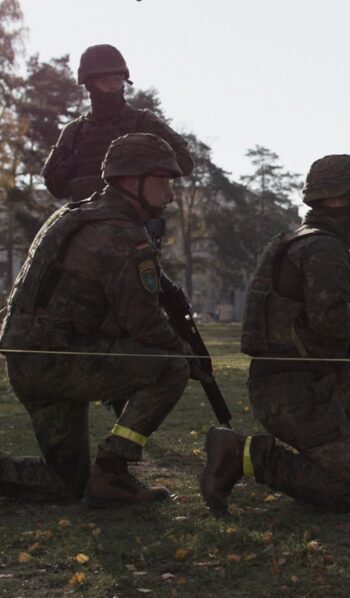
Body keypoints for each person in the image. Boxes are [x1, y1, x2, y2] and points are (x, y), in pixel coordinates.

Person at [200, 154, 350, 516]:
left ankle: (330, 457)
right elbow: (330, 319)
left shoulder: (304, 239)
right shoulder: (322, 247)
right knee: (348, 492)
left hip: (302, 380)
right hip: (295, 389)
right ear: (335, 200)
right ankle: (242, 454)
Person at [0, 133, 200, 505]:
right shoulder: (121, 233)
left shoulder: (75, 213)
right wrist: (186, 350)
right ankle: (112, 471)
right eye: (162, 181)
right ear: (131, 179)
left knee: (66, 484)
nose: (170, 194)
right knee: (171, 367)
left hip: (31, 359)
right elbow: (144, 325)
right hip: (58, 361)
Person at [41, 44, 193, 202]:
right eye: (105, 81)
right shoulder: (75, 131)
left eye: (117, 80)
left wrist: (142, 164)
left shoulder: (143, 122)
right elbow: (55, 186)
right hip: (87, 218)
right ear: (90, 85)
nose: (113, 86)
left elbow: (185, 162)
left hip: (136, 220)